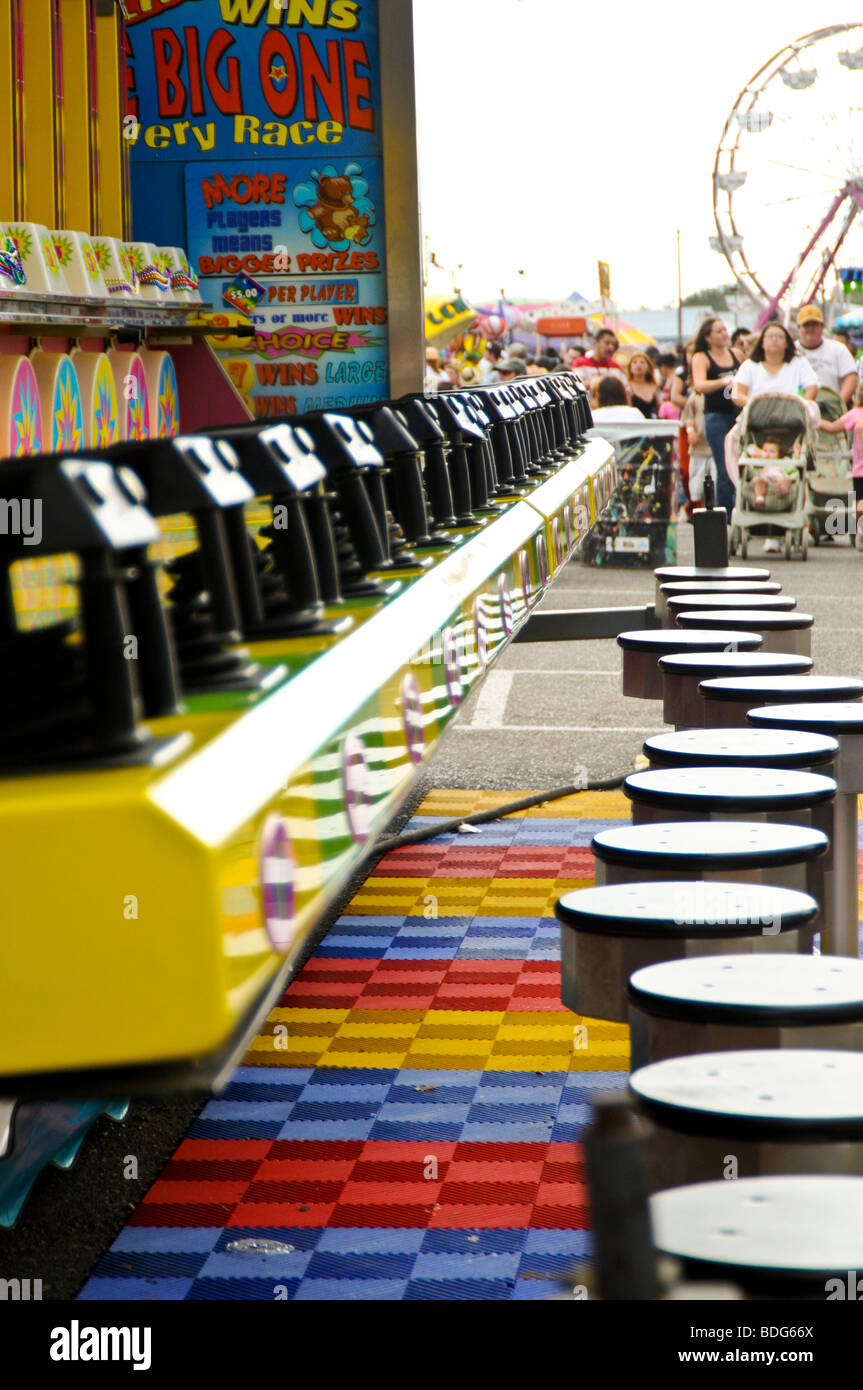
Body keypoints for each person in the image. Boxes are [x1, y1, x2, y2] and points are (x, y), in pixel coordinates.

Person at [690, 317, 742, 513]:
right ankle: (726, 513)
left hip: (738, 413)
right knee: (724, 466)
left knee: (742, 463)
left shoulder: (736, 353)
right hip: (717, 416)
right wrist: (723, 381)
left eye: (725, 330)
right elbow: (700, 385)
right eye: (718, 331)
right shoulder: (701, 357)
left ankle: (741, 507)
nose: (724, 334)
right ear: (708, 337)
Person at [818, 379, 863, 551]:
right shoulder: (856, 413)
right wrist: (814, 419)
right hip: (860, 470)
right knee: (860, 506)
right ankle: (860, 531)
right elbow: (832, 427)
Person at [730, 322, 819, 406]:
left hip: (792, 416)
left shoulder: (799, 363)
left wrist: (802, 406)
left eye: (779, 336)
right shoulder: (749, 365)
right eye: (769, 336)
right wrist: (753, 403)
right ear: (762, 342)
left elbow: (812, 386)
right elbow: (736, 393)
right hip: (756, 417)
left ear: (786, 343)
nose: (774, 339)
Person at [795, 304, 857, 403]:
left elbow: (851, 378)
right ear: (798, 328)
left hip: (830, 405)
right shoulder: (790, 350)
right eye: (806, 325)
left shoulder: (838, 349)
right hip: (797, 405)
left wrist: (839, 404)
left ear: (822, 326)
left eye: (814, 324)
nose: (810, 329)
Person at [626, 352, 661, 417]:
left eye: (642, 362)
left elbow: (659, 409)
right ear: (630, 367)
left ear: (648, 367)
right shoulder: (627, 387)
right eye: (634, 362)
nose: (638, 365)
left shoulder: (654, 386)